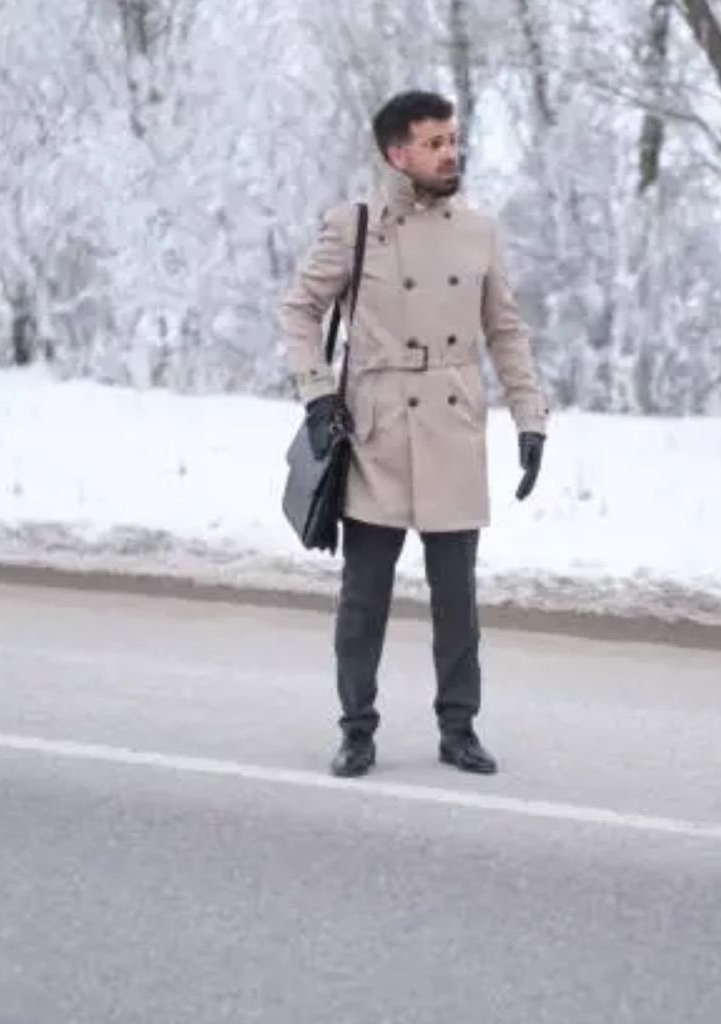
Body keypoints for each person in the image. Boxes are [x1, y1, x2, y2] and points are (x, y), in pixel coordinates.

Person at [279, 90, 548, 778]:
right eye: (434, 143)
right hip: (377, 433)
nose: (450, 152)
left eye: (453, 139)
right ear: (398, 153)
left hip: (454, 426)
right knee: (364, 598)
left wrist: (530, 417)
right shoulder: (355, 225)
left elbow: (505, 331)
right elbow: (300, 310)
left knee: (456, 599)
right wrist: (314, 392)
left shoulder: (479, 230)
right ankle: (356, 729)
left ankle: (459, 728)